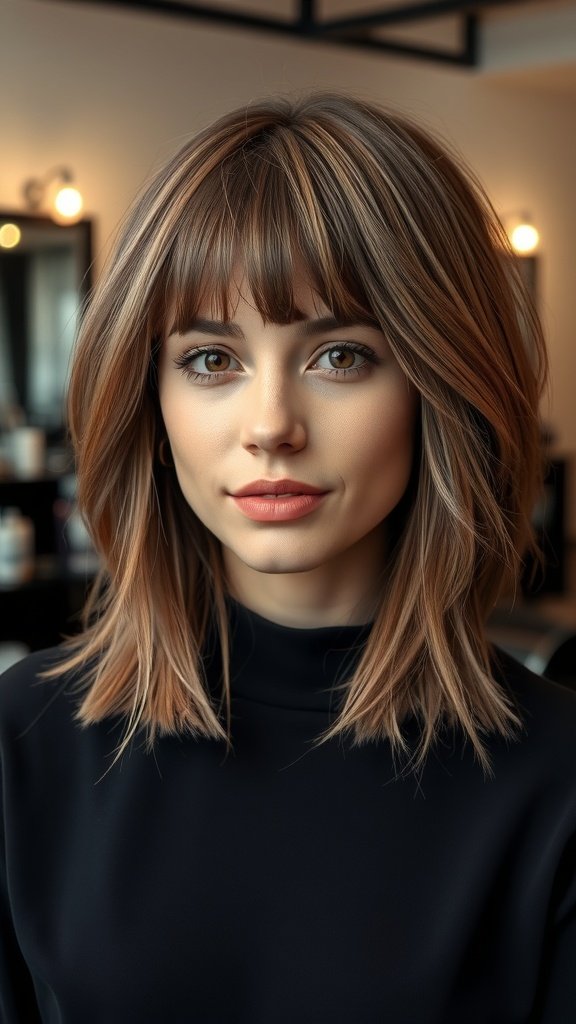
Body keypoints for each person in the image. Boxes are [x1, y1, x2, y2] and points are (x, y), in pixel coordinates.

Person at [0, 93, 574, 1023]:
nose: (271, 426)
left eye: (341, 356)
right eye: (211, 360)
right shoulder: (22, 743)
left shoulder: (556, 779)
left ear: (442, 386)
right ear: (151, 402)